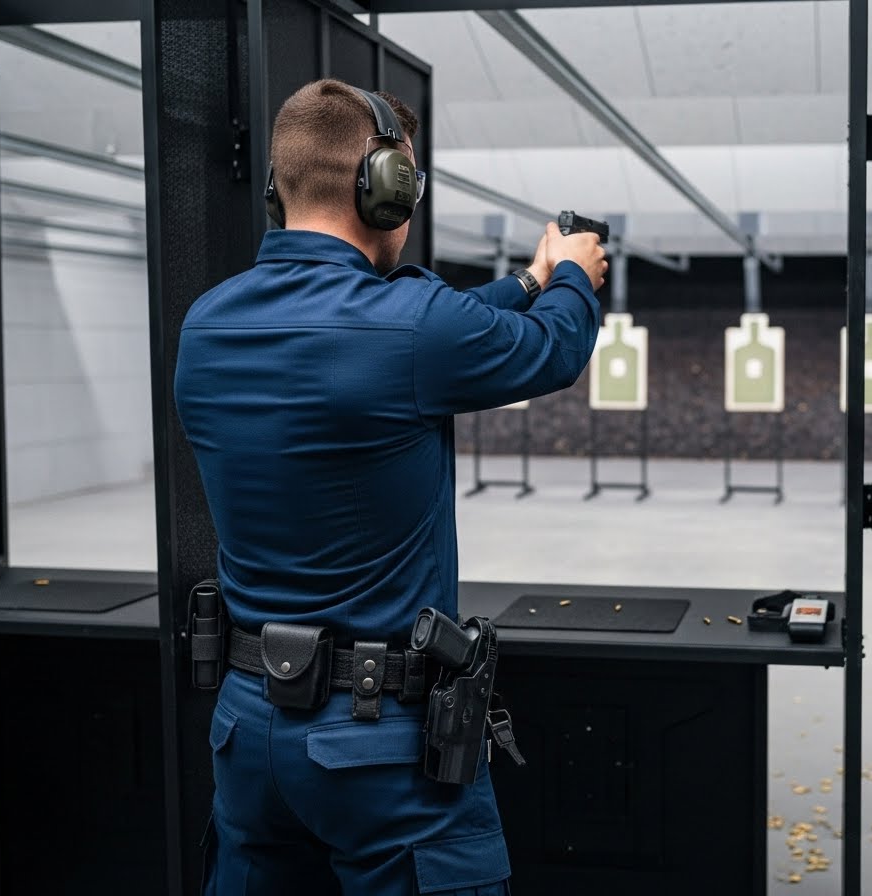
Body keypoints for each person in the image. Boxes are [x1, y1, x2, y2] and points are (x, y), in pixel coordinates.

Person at [174, 78, 606, 895]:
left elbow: (409, 333)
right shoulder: (412, 323)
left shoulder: (208, 322)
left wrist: (527, 279)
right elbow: (549, 350)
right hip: (377, 745)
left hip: (248, 727)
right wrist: (573, 278)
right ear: (386, 188)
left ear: (279, 190)